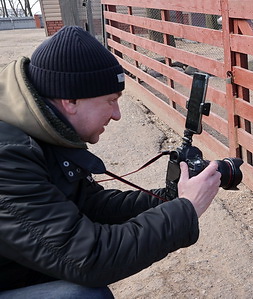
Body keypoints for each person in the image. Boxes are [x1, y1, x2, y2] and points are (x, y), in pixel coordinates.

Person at [0, 26, 221, 298]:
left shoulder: (45, 130)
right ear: (71, 100)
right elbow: (89, 258)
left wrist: (169, 198)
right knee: (83, 296)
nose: (116, 115)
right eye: (111, 101)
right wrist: (186, 209)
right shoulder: (8, 156)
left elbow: (91, 205)